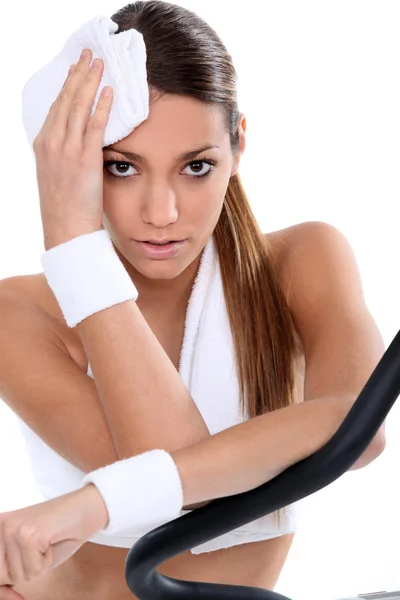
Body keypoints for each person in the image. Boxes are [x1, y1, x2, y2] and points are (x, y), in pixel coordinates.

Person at [0, 1, 387, 599]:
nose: (162, 215)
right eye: (121, 167)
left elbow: (359, 428)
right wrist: (72, 244)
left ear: (238, 148)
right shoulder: (21, 313)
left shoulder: (301, 262)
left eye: (196, 166)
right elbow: (174, 479)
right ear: (69, 167)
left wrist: (91, 505)